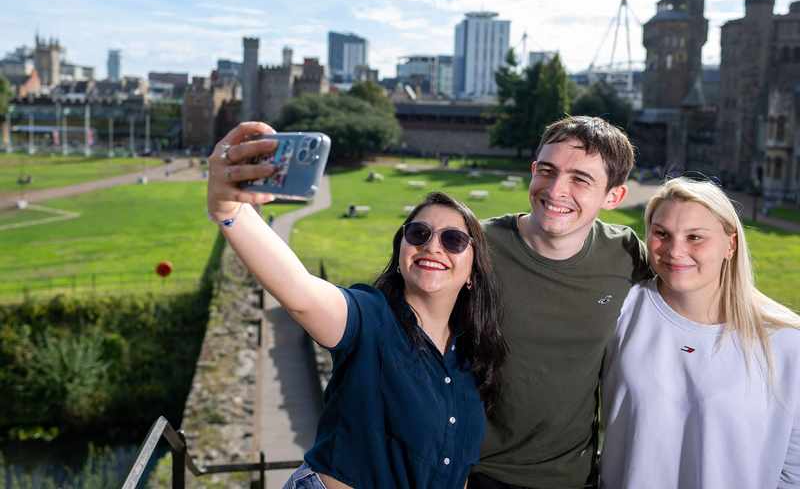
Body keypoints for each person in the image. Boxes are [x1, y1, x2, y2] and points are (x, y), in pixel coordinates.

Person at [206, 121, 507, 489]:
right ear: (401, 253)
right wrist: (229, 210)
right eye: (419, 233)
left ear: (473, 273)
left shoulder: (471, 356)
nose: (432, 246)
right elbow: (301, 294)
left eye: (454, 240)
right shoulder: (372, 317)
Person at [470, 116, 651, 489]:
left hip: (572, 477)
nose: (555, 190)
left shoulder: (626, 254)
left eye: (580, 180)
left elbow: (696, 297)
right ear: (533, 170)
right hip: (470, 472)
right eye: (547, 171)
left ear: (614, 196)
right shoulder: (475, 246)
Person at [600, 177, 800, 488]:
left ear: (730, 244)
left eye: (695, 237)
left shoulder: (786, 341)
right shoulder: (622, 310)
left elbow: (794, 469)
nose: (675, 250)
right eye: (661, 234)